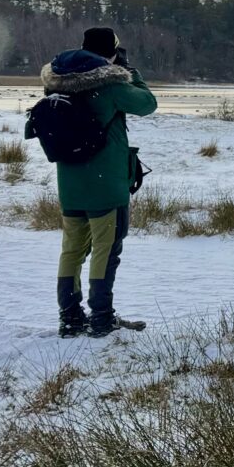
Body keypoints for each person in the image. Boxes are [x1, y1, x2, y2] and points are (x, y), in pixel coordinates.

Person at [36, 27, 157, 338]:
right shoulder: (111, 84)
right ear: (113, 53)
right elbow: (147, 103)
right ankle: (102, 317)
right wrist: (130, 72)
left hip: (71, 184)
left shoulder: (58, 83)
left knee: (72, 251)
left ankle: (70, 317)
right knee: (107, 250)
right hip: (106, 185)